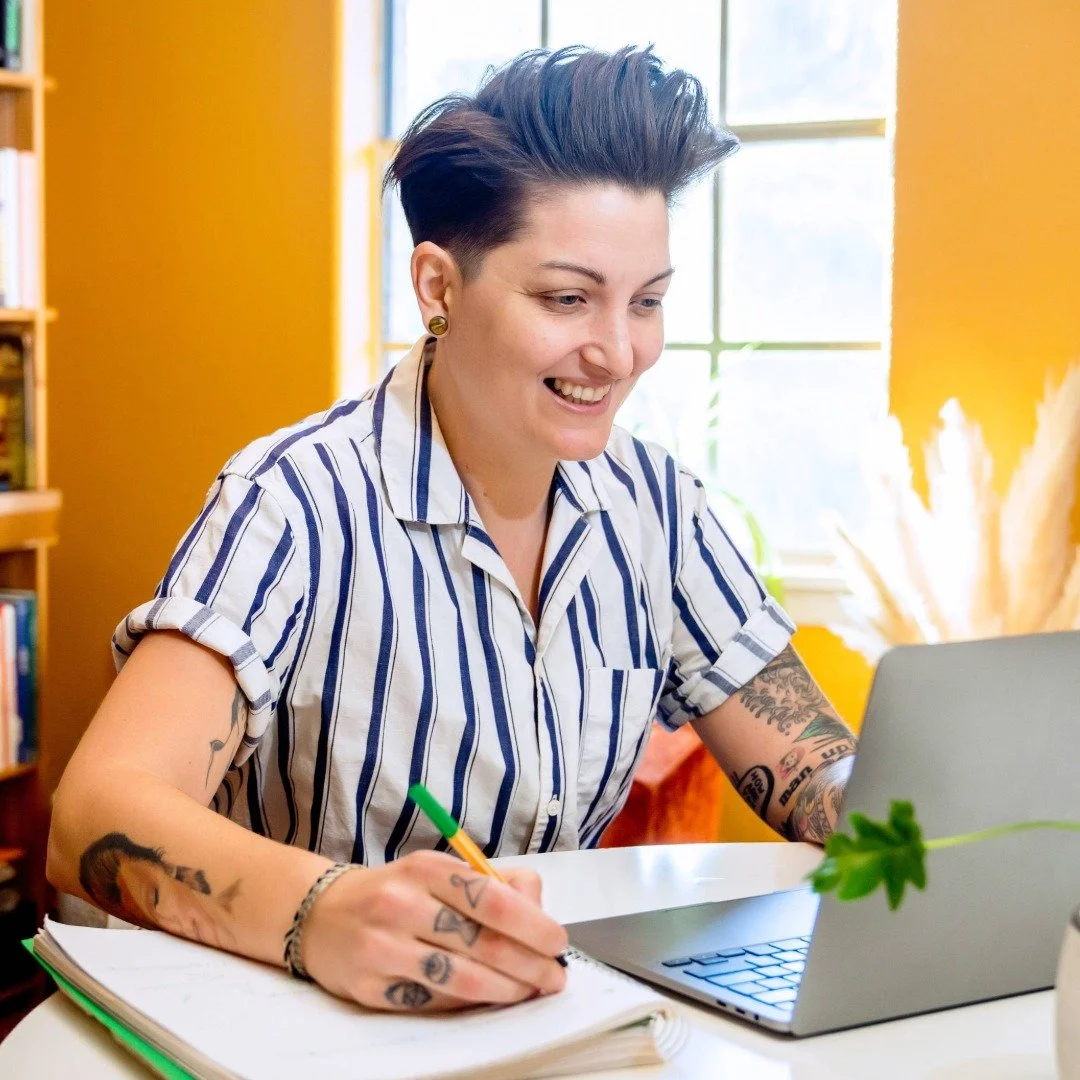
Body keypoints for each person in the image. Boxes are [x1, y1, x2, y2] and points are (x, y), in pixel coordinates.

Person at [47, 45, 857, 1013]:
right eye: (567, 298)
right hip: (294, 1033)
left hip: (527, 1024)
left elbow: (815, 766)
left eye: (647, 301)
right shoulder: (296, 502)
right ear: (438, 287)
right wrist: (325, 910)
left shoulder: (658, 509)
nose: (618, 350)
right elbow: (91, 814)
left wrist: (914, 824)